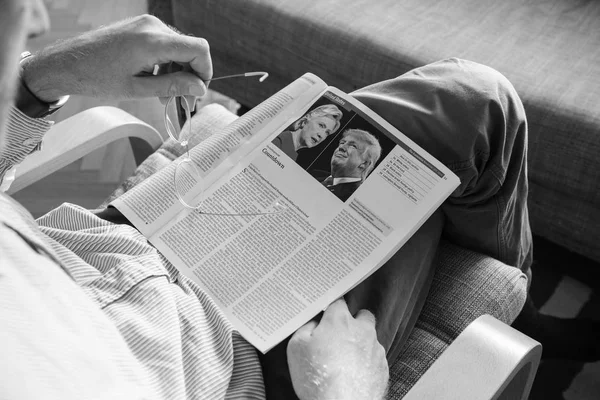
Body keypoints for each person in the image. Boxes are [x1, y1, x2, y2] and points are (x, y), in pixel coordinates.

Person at [3, 2, 595, 400]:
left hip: (141, 232)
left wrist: (40, 79)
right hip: (257, 358)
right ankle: (523, 319)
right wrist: (341, 389)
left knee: (471, 97)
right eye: (15, 12)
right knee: (440, 164)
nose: (37, 16)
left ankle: (523, 308)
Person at [320, 128, 382, 201]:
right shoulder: (315, 173)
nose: (341, 147)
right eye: (342, 142)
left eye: (353, 146)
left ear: (364, 163)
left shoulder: (355, 197)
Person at [271, 104, 343, 160]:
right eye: (321, 125)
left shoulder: (291, 154)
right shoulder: (277, 143)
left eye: (327, 132)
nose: (321, 135)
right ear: (307, 119)